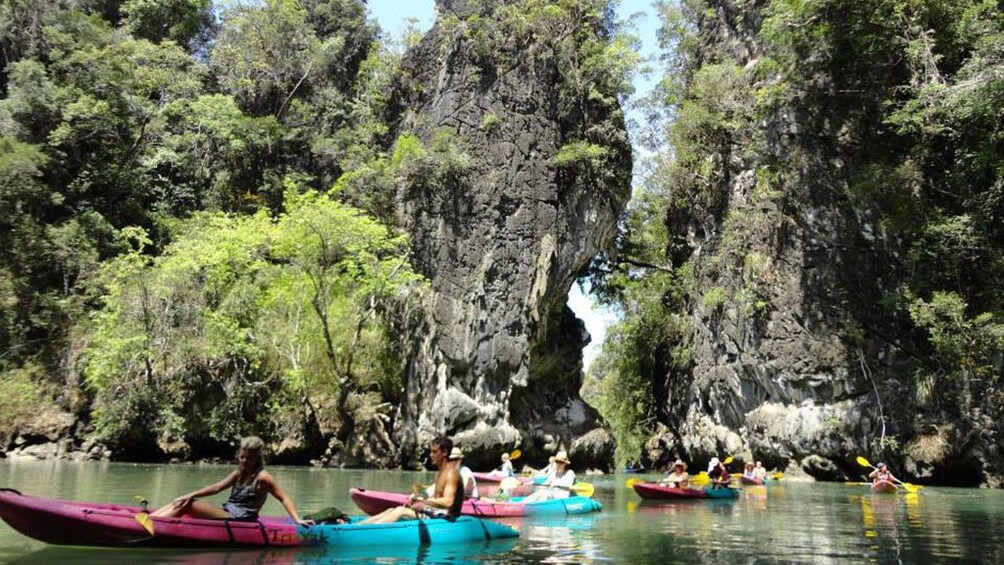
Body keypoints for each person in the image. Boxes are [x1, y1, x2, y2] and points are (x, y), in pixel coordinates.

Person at [150, 436, 311, 525]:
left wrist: (296, 519)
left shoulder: (263, 477)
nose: (244, 461)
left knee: (189, 503)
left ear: (256, 459)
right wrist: (186, 494)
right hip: (228, 511)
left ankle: (154, 525)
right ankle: (152, 519)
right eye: (241, 457)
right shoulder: (239, 472)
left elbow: (283, 497)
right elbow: (217, 487)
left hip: (241, 519)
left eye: (248, 459)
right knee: (182, 500)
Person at [360, 435, 463, 524]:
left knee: (401, 511)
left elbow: (448, 502)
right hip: (435, 514)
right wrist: (417, 499)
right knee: (392, 510)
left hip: (445, 519)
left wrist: (424, 501)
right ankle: (355, 527)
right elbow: (435, 495)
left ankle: (366, 532)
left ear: (444, 452)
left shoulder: (451, 473)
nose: (431, 455)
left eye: (434, 452)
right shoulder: (441, 472)